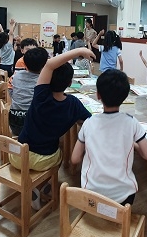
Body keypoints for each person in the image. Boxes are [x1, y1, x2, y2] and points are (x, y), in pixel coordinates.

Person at [16, 47, 95, 208]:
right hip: (45, 159)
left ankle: (33, 185)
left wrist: (79, 50)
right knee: (59, 152)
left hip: (17, 154)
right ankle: (44, 184)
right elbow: (90, 122)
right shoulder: (73, 104)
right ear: (69, 82)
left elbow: (50, 65)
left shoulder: (41, 95)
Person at [71, 69, 147, 205]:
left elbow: (75, 159)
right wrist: (133, 145)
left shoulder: (88, 123)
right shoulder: (131, 122)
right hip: (123, 198)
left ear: (98, 95)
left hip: (91, 195)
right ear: (125, 96)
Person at [8, 47, 49, 135]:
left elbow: (10, 91)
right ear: (45, 65)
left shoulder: (16, 76)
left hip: (14, 122)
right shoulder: (44, 80)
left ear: (25, 64)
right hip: (33, 126)